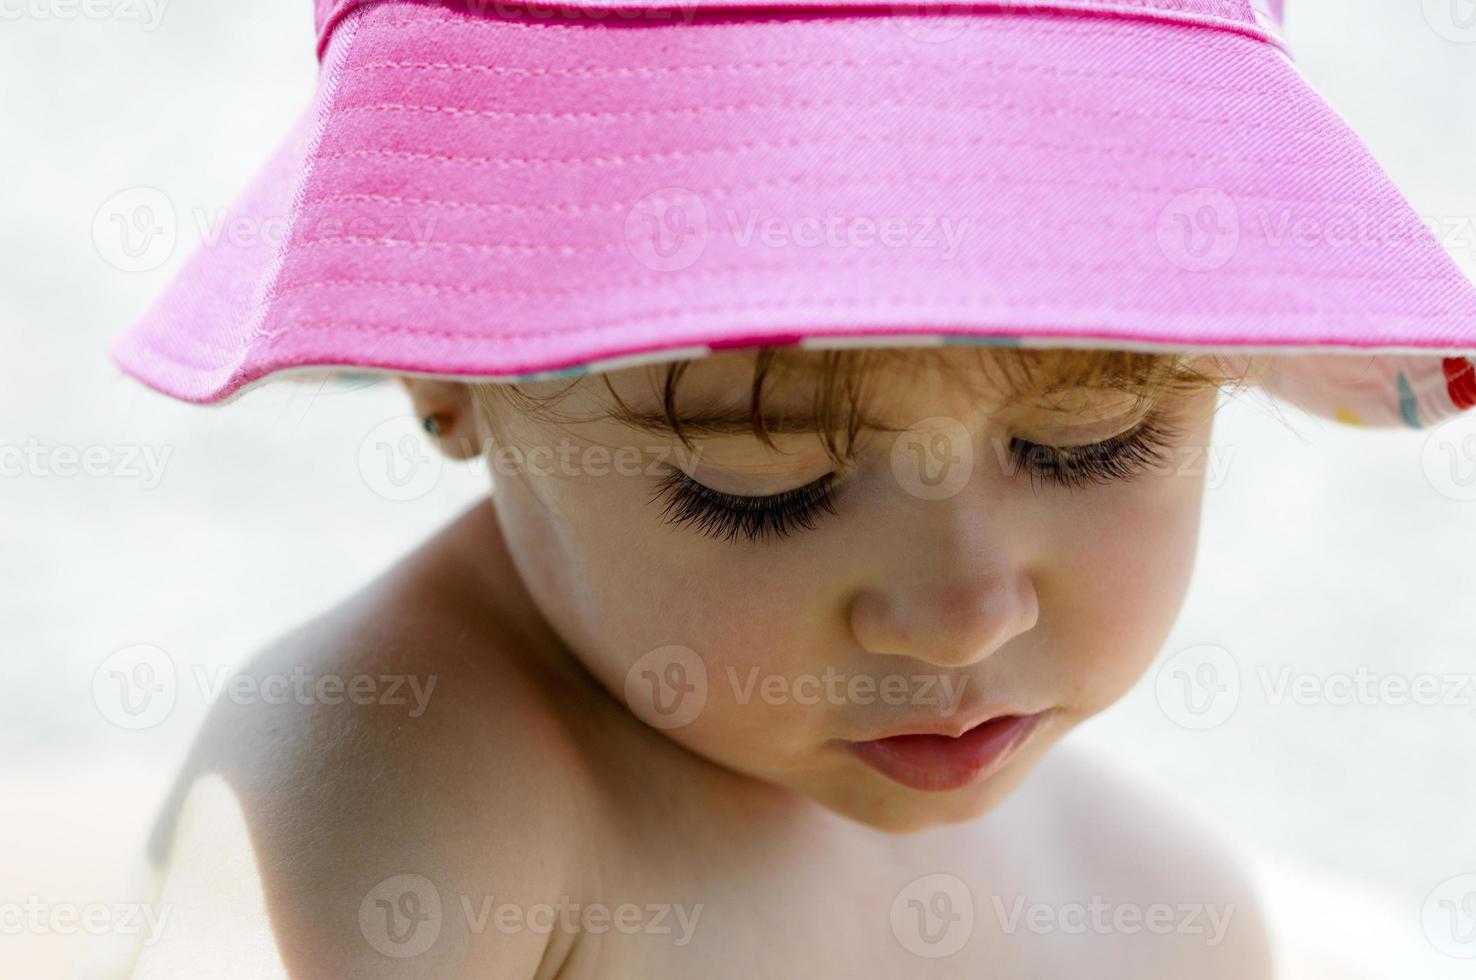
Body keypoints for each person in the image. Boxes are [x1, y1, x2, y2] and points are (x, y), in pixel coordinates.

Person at [108, 0, 1476, 975]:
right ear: (451, 381)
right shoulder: (403, 783)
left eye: (1088, 445)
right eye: (757, 488)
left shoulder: (1168, 909)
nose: (962, 615)